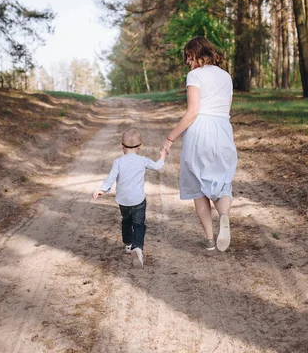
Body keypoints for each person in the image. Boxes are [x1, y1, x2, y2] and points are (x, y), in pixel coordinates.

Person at [161, 36, 237, 252]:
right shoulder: (226, 76)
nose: (188, 62)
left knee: (198, 186)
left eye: (189, 57)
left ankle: (210, 240)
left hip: (200, 131)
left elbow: (193, 112)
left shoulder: (195, 75)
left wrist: (170, 139)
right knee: (221, 182)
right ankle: (223, 216)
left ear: (197, 54)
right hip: (223, 130)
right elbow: (226, 108)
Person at [93, 128, 167, 268]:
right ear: (140, 147)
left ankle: (128, 244)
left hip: (123, 201)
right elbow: (157, 166)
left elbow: (110, 178)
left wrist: (102, 190)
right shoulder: (142, 160)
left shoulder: (118, 162)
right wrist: (162, 156)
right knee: (139, 224)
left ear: (122, 146)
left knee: (126, 221)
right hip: (138, 200)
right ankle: (137, 247)